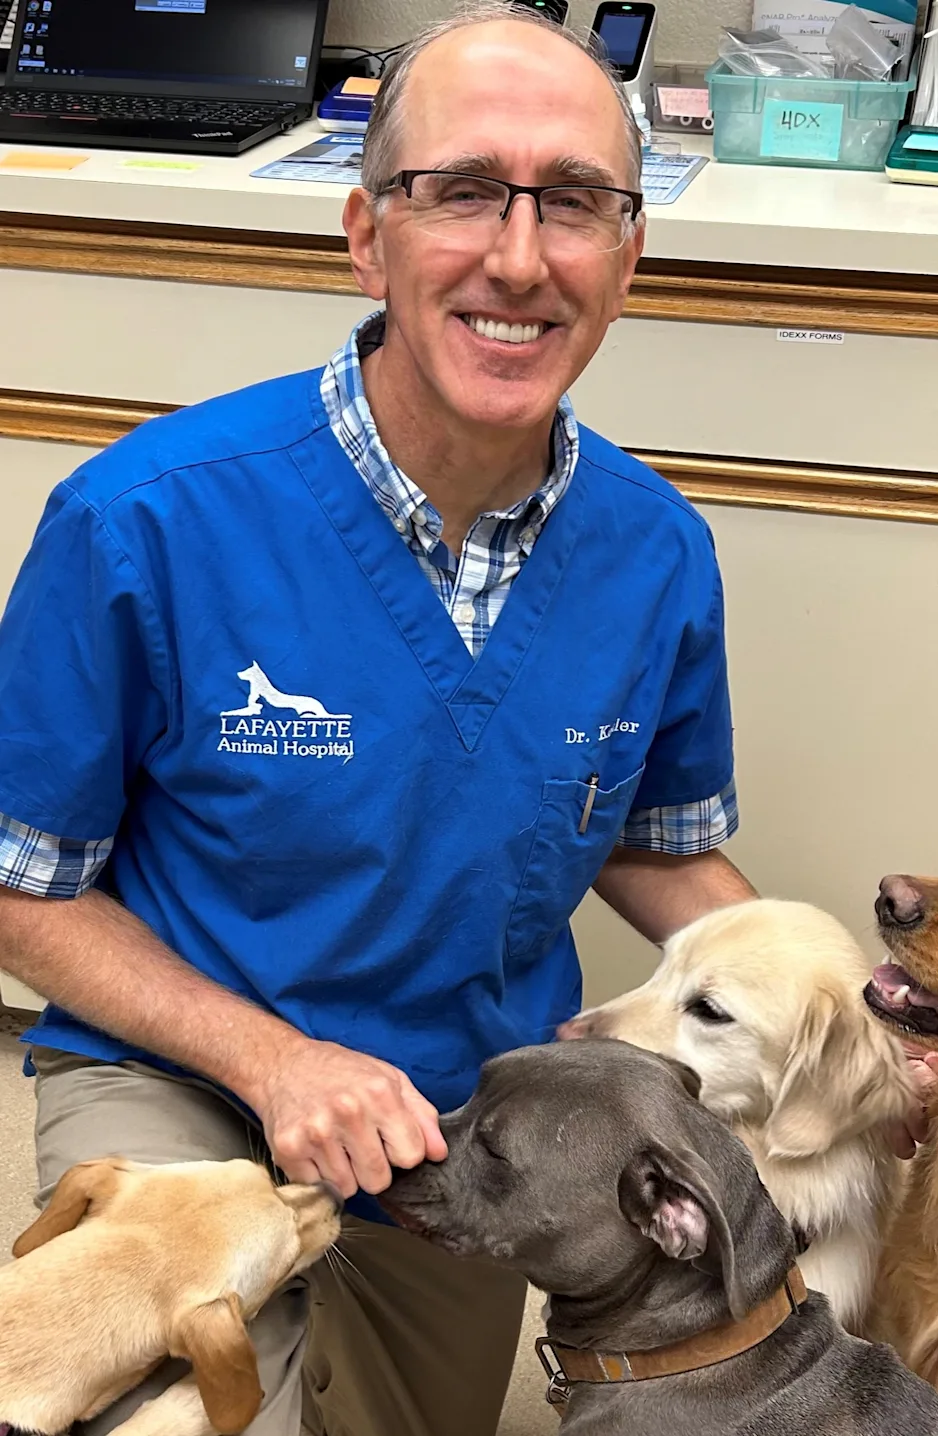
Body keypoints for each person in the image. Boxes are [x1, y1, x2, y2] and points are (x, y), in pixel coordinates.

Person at [0, 8, 762, 1436]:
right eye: (463, 191)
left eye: (573, 203)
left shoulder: (658, 554)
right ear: (367, 236)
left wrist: (844, 1022)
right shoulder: (141, 519)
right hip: (179, 1078)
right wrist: (273, 1062)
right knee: (168, 1416)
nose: (519, 259)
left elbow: (653, 845)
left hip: (456, 1121)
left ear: (627, 256)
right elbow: (19, 884)